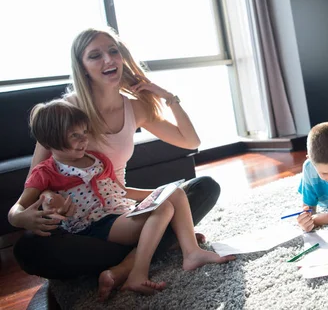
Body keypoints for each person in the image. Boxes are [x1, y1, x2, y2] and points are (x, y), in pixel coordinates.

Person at [10, 26, 232, 300]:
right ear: (82, 66)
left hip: (122, 207)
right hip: (82, 224)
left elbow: (190, 140)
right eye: (95, 55)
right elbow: (38, 177)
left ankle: (127, 262)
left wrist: (167, 97)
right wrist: (44, 204)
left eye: (113, 51)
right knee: (30, 249)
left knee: (203, 187)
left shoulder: (135, 107)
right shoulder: (64, 112)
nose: (108, 60)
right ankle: (160, 243)